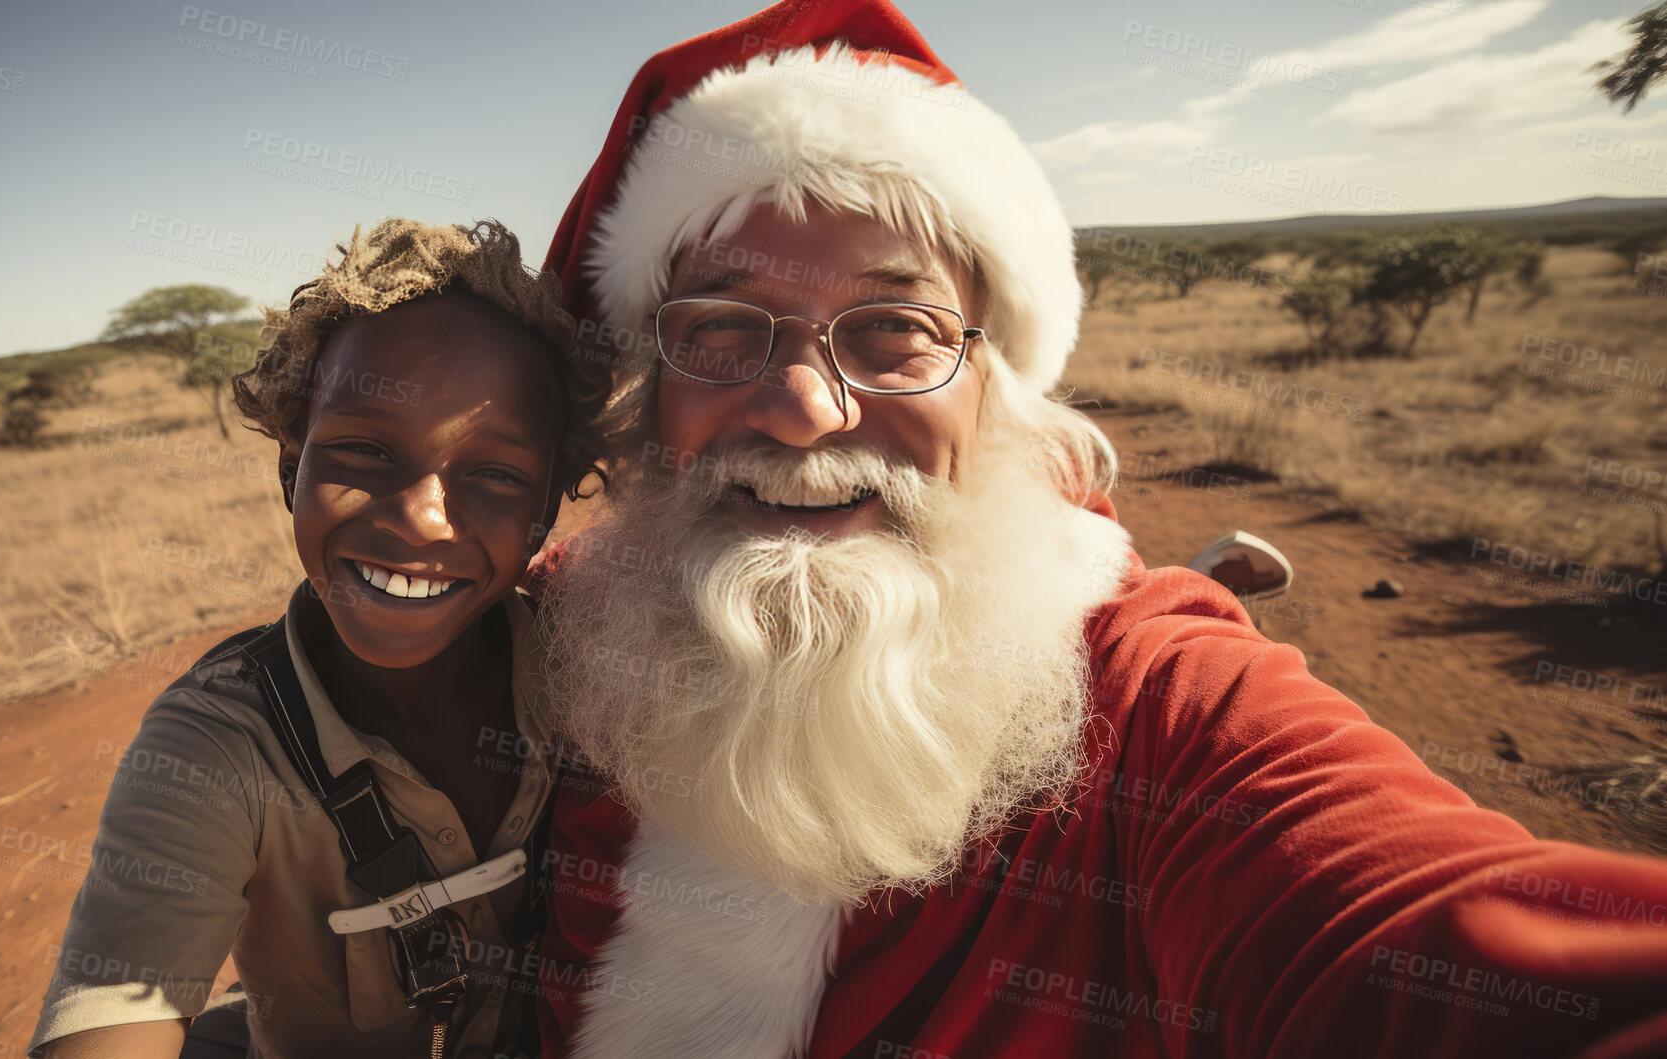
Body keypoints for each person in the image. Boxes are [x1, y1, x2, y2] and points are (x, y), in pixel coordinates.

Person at [526, 1, 1667, 1056]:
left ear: (996, 385)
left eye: (893, 330)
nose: (804, 408)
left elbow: (1413, 935)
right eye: (723, 327)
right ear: (648, 390)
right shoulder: (554, 642)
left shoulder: (1155, 705)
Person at [27, 218, 609, 1059]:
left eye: (494, 473)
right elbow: (107, 1022)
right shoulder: (215, 747)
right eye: (365, 450)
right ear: (289, 469)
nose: (419, 520)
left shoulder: (588, 666)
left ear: (543, 514)